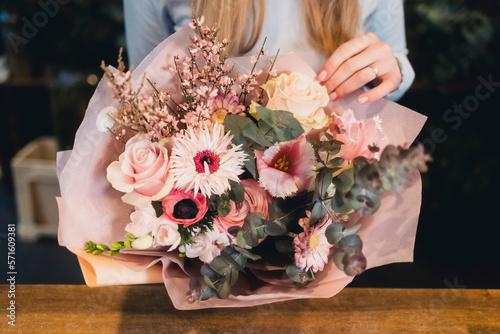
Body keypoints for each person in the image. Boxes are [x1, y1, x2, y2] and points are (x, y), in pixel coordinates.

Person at [123, 0, 414, 104]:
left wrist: (391, 71)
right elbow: (147, 95)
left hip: (333, 192)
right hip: (211, 207)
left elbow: (392, 64)